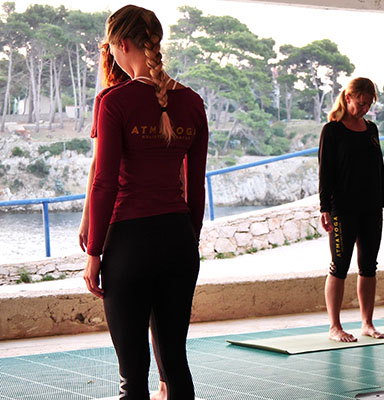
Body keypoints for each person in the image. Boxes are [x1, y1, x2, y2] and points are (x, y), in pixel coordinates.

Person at [82, 5, 209, 399]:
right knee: (175, 363)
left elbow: (104, 183)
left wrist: (94, 252)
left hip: (129, 245)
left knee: (133, 376)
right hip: (178, 240)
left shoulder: (114, 101)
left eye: (110, 47)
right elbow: (195, 187)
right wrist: (189, 241)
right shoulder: (193, 102)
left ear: (122, 44)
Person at [79, 41, 173, 400]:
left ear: (122, 47)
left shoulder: (115, 101)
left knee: (134, 364)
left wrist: (94, 244)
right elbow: (100, 168)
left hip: (128, 229)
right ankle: (166, 384)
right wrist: (88, 220)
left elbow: (102, 176)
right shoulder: (180, 98)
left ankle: (164, 384)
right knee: (167, 339)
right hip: (170, 229)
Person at [319, 77, 384, 343]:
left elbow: (379, 170)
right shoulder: (332, 131)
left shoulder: (371, 129)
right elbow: (325, 172)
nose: (364, 109)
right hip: (342, 209)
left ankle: (367, 323)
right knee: (339, 265)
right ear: (348, 98)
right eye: (360, 103)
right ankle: (335, 326)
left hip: (371, 207)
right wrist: (325, 208)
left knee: (369, 266)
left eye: (368, 105)